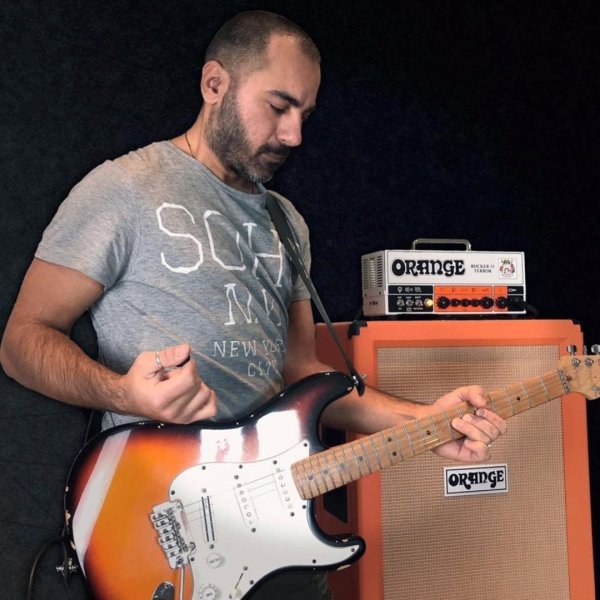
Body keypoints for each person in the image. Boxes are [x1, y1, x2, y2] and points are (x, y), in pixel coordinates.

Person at [0, 10, 506, 600]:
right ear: (215, 83)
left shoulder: (286, 222)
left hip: (278, 532)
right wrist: (123, 394)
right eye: (278, 106)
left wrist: (424, 423)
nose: (293, 136)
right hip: (163, 525)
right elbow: (22, 340)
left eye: (304, 115)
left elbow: (301, 373)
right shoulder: (124, 189)